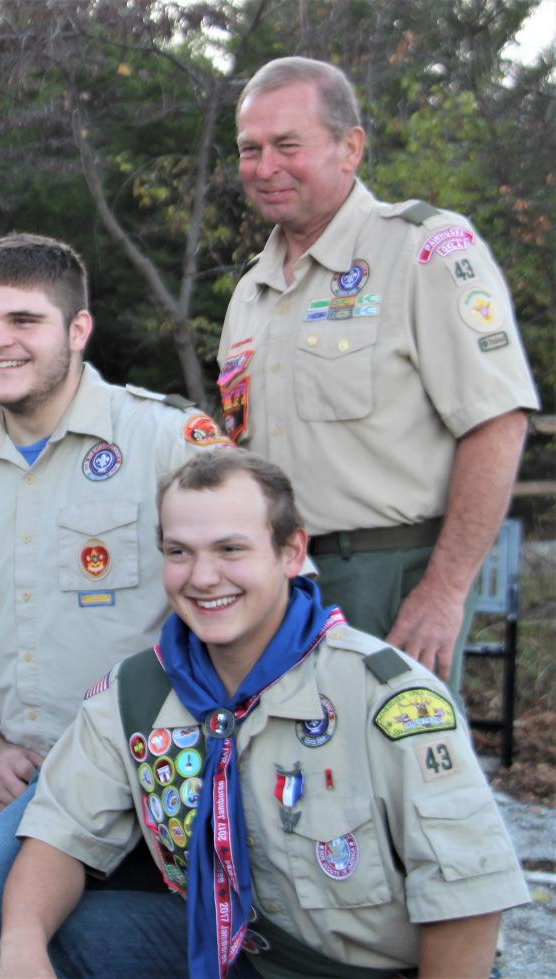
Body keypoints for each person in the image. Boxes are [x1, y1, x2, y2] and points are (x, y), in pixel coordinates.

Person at [0, 449, 529, 979]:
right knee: (42, 923)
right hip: (242, 953)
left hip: (368, 969)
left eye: (231, 549)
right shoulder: (137, 692)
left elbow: (466, 895)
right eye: (179, 552)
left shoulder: (385, 695)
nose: (203, 577)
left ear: (292, 552)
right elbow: (58, 836)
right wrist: (21, 950)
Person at [0, 233, 228, 969]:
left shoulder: (169, 442)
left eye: (24, 320)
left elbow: (250, 593)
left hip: (185, 759)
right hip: (49, 782)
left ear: (78, 330)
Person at [218, 56, 538, 694]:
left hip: (388, 578)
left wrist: (444, 592)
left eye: (288, 144)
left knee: (391, 779)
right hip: (275, 581)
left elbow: (497, 423)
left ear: (350, 148)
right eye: (250, 149)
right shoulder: (251, 290)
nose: (265, 166)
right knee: (287, 781)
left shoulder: (424, 251)